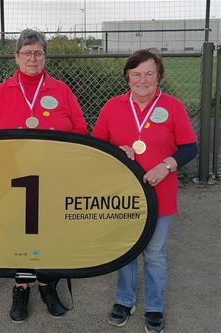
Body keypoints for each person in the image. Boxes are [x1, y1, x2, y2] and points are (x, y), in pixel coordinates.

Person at [0, 28, 88, 322]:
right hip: (13, 181)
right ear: (16, 57)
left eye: (38, 52)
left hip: (53, 180)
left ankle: (47, 286)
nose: (32, 58)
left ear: (45, 56)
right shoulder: (0, 92)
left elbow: (80, 132)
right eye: (27, 53)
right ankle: (21, 287)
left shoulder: (61, 90)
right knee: (17, 235)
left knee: (51, 234)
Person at [92, 49, 197, 333]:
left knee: (154, 253)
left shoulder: (173, 106)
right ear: (127, 77)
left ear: (159, 76)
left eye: (149, 73)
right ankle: (124, 301)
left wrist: (167, 165)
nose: (143, 79)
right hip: (122, 195)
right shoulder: (112, 106)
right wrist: (115, 150)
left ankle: (154, 306)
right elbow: (95, 146)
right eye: (136, 74)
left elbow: (190, 147)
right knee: (126, 250)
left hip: (160, 192)